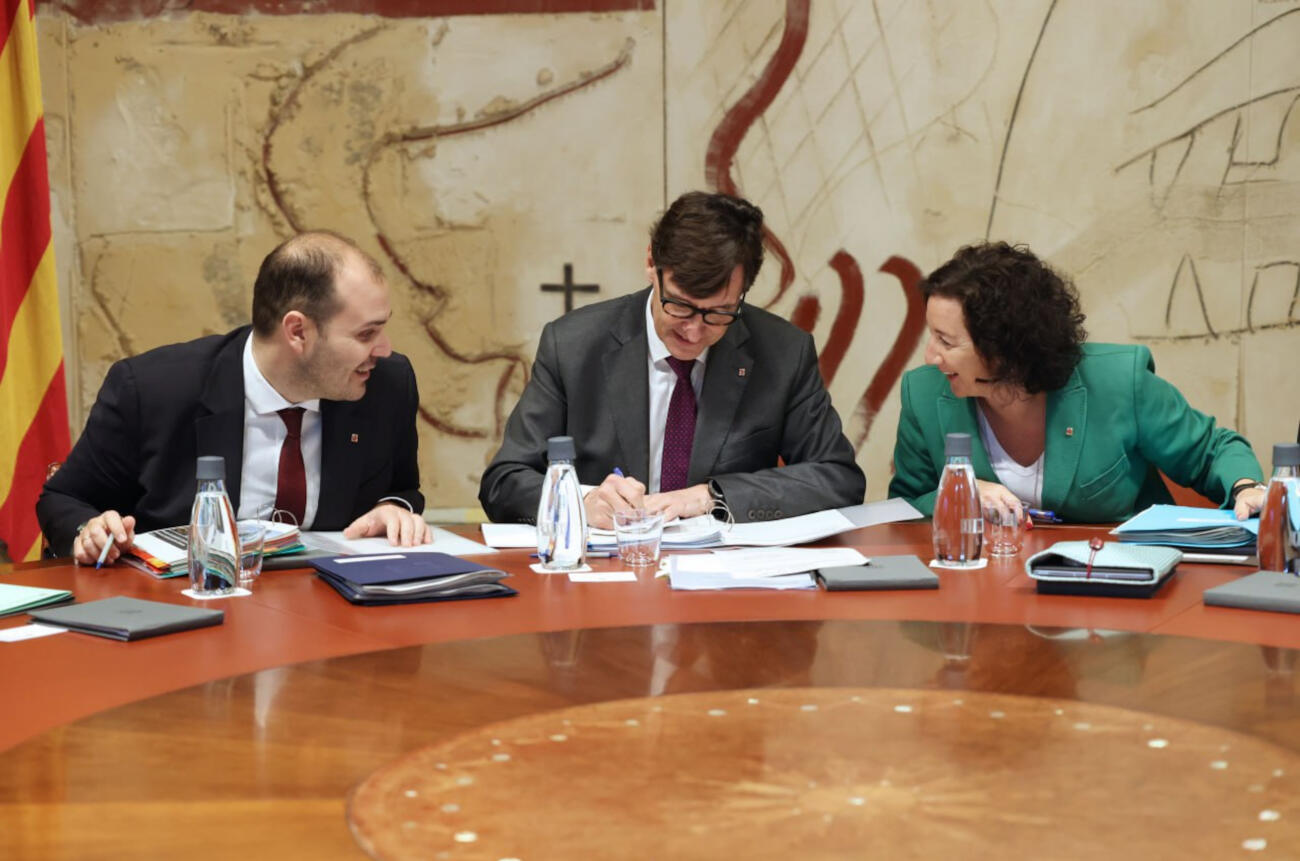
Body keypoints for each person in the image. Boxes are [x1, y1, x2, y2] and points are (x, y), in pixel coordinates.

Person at [39, 230, 431, 565]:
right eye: (366, 334)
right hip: (188, 615)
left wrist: (392, 509)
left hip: (332, 616)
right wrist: (89, 531)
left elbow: (400, 488)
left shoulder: (386, 386)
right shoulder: (154, 389)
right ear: (297, 332)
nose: (383, 349)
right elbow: (65, 497)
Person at [479, 191, 865, 528]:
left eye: (719, 313)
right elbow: (504, 481)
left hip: (727, 583)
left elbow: (838, 477)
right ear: (652, 264)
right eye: (680, 306)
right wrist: (581, 503)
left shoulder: (782, 352)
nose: (694, 332)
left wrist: (711, 496)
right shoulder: (575, 345)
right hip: (607, 579)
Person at [888, 241, 1266, 522]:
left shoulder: (1119, 382)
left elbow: (1211, 452)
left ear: (1001, 347)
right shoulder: (923, 393)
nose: (930, 357)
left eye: (946, 341)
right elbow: (907, 501)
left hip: (1118, 594)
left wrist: (1245, 487)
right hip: (984, 591)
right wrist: (957, 494)